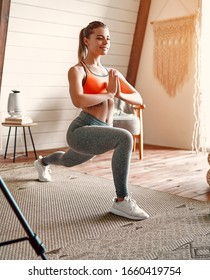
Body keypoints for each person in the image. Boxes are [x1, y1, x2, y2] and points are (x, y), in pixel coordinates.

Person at [34, 21, 149, 220]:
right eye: (100, 37)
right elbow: (78, 100)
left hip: (101, 132)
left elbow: (138, 98)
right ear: (86, 40)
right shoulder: (78, 70)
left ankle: (43, 162)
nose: (106, 42)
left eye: (108, 38)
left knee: (66, 161)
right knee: (125, 137)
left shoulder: (112, 73)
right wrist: (109, 93)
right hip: (82, 130)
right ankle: (122, 201)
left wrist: (118, 93)